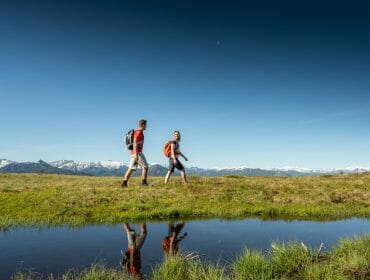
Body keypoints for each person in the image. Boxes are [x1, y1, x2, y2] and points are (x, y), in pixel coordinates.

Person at [122, 119, 149, 187]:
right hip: (137, 153)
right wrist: (136, 154)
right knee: (145, 167)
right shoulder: (139, 132)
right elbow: (135, 142)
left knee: (131, 169)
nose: (146, 126)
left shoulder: (138, 132)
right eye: (146, 125)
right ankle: (144, 183)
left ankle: (124, 183)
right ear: (143, 125)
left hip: (133, 153)